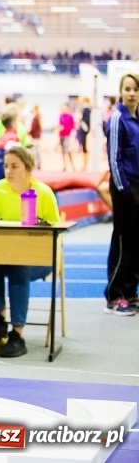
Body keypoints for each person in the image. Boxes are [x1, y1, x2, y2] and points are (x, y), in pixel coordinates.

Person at [0, 146, 59, 357]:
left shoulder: (43, 193)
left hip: (38, 258)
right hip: (5, 253)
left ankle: (18, 334)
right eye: (6, 166)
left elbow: (55, 232)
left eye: (15, 166)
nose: (9, 171)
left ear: (29, 169)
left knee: (19, 266)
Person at [104, 73, 139, 316]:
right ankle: (114, 296)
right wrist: (124, 190)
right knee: (123, 241)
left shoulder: (137, 117)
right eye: (127, 89)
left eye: (136, 89)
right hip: (125, 187)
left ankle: (130, 291)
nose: (132, 93)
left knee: (137, 243)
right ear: (121, 91)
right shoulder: (117, 118)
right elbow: (114, 158)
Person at [58, 102, 75, 172]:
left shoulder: (70, 116)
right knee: (62, 151)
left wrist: (64, 128)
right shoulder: (61, 116)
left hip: (67, 135)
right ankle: (65, 165)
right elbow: (59, 124)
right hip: (61, 135)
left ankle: (72, 165)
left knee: (68, 151)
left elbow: (72, 126)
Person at [76, 96, 92, 171]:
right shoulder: (85, 109)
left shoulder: (86, 110)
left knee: (85, 148)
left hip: (85, 131)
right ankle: (84, 164)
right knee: (84, 148)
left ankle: (85, 165)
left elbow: (87, 121)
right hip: (84, 130)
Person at [29, 104, 43, 170]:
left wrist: (29, 132)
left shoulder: (36, 117)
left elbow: (33, 128)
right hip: (37, 135)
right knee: (37, 150)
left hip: (35, 136)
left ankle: (37, 164)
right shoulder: (38, 117)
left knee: (35, 151)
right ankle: (38, 164)